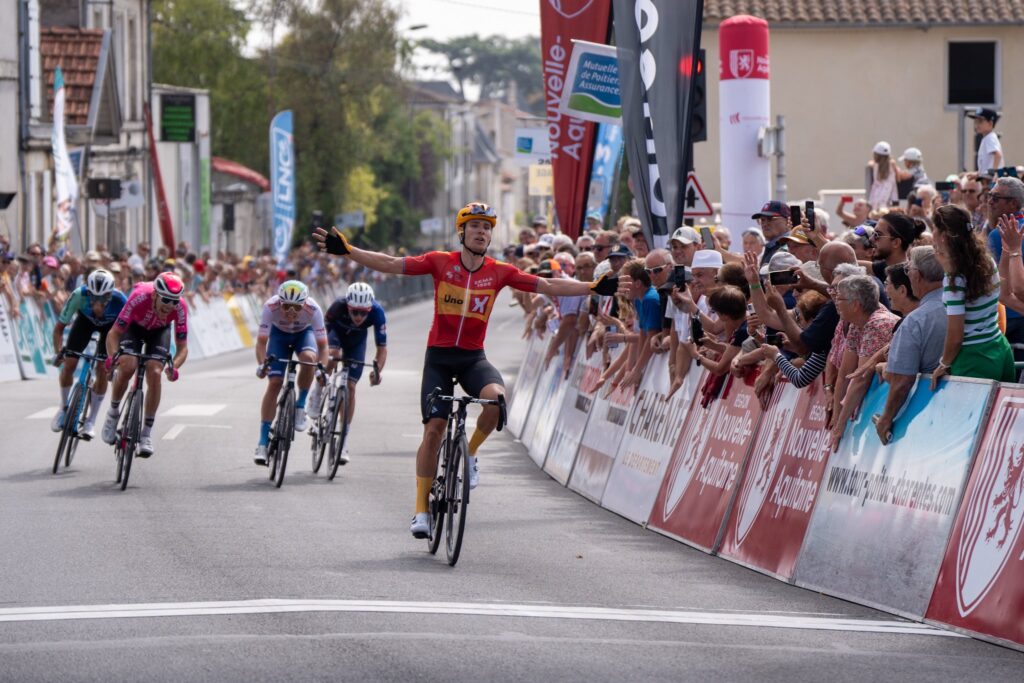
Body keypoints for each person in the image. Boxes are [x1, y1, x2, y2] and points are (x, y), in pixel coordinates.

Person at [312, 201, 623, 538]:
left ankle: (470, 452)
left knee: (496, 399)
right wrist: (348, 251)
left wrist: (590, 287)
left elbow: (547, 285)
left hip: (473, 358)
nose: (482, 232)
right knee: (434, 429)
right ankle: (420, 512)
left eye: (487, 227)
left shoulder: (499, 271)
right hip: (439, 359)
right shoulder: (438, 263)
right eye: (475, 226)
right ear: (462, 231)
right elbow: (389, 263)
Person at [101, 272, 189, 457]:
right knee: (128, 365)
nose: (170, 305)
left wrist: (174, 367)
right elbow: (113, 334)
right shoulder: (139, 296)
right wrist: (112, 358)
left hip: (159, 331)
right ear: (156, 294)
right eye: (166, 299)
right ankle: (113, 413)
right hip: (133, 328)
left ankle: (146, 434)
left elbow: (182, 348)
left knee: (155, 372)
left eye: (174, 301)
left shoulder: (180, 308)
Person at [931, 204, 1015, 388]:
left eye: (934, 229)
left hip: (974, 359)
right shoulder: (986, 260)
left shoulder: (954, 278)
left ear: (943, 237)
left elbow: (955, 336)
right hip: (1000, 349)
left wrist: (943, 364)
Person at [873, 246, 947, 443]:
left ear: (917, 275)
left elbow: (902, 381)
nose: (907, 274)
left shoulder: (915, 320)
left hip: (934, 417)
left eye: (908, 270)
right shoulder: (964, 302)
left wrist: (886, 419)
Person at [308, 282, 387, 465]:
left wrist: (377, 371)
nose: (359, 316)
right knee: (333, 355)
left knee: (351, 387)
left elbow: (382, 347)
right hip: (335, 335)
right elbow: (321, 336)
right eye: (354, 312)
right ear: (348, 307)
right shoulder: (337, 306)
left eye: (363, 313)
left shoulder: (377, 311)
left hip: (356, 343)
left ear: (369, 309)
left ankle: (343, 442)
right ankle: (317, 393)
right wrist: (323, 360)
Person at [252, 281, 330, 466]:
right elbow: (262, 342)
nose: (291, 311)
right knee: (274, 383)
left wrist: (322, 370)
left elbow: (323, 346)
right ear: (280, 303)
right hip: (278, 336)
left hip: (304, 334)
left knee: (309, 358)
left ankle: (300, 406)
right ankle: (262, 443)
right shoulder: (270, 307)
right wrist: (262, 365)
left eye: (297, 307)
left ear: (304, 304)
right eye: (286, 306)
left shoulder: (313, 309)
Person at [50, 269, 127, 438]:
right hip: (84, 323)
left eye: (103, 298)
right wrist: (59, 352)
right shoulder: (79, 295)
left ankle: (91, 420)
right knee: (69, 364)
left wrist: (117, 358)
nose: (98, 301)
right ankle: (63, 408)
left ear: (110, 293)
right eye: (94, 297)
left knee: (102, 368)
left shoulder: (120, 300)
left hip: (110, 329)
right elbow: (59, 328)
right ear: (88, 291)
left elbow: (128, 332)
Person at [828, 274, 899, 450]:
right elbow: (844, 375)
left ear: (856, 305)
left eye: (839, 298)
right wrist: (837, 418)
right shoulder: (855, 321)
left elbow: (860, 379)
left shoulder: (877, 323)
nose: (835, 302)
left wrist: (839, 426)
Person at [985, 177, 1024, 359]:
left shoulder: (998, 234)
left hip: (1011, 317)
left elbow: (1016, 289)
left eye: (996, 197)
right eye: (989, 195)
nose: (989, 201)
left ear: (1013, 203)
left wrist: (1014, 251)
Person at [867, 213, 926, 280]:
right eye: (873, 233)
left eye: (877, 235)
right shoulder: (882, 268)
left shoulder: (910, 278)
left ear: (896, 243)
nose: (871, 238)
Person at [750, 201, 791, 266]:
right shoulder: (772, 246)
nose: (765, 224)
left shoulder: (791, 245)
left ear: (787, 221)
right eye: (762, 220)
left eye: (770, 219)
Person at [968, 108, 1003, 176]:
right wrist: (977, 174)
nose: (977, 124)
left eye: (980, 121)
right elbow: (986, 165)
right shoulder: (986, 138)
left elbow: (997, 155)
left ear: (990, 123)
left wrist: (993, 173)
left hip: (992, 180)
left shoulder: (990, 137)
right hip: (987, 178)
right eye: (976, 121)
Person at [867, 141, 898, 210]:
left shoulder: (874, 165)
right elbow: (896, 181)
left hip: (876, 198)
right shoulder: (892, 164)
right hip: (888, 199)